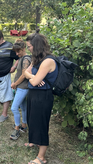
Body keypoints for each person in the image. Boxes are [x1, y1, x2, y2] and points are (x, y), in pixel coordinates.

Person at [24, 33, 58, 164]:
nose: (28, 49)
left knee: (41, 124)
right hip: (34, 94)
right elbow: (26, 72)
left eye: (30, 46)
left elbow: (32, 81)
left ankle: (41, 157)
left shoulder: (48, 61)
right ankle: (34, 141)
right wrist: (34, 77)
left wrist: (33, 78)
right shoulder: (36, 59)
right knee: (31, 119)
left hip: (43, 97)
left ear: (36, 46)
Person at [10, 38, 31, 140]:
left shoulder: (26, 59)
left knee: (14, 108)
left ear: (24, 48)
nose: (17, 54)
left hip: (23, 87)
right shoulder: (22, 58)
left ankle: (17, 128)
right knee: (23, 108)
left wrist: (15, 84)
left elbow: (24, 75)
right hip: (20, 87)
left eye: (18, 51)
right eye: (16, 52)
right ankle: (24, 125)